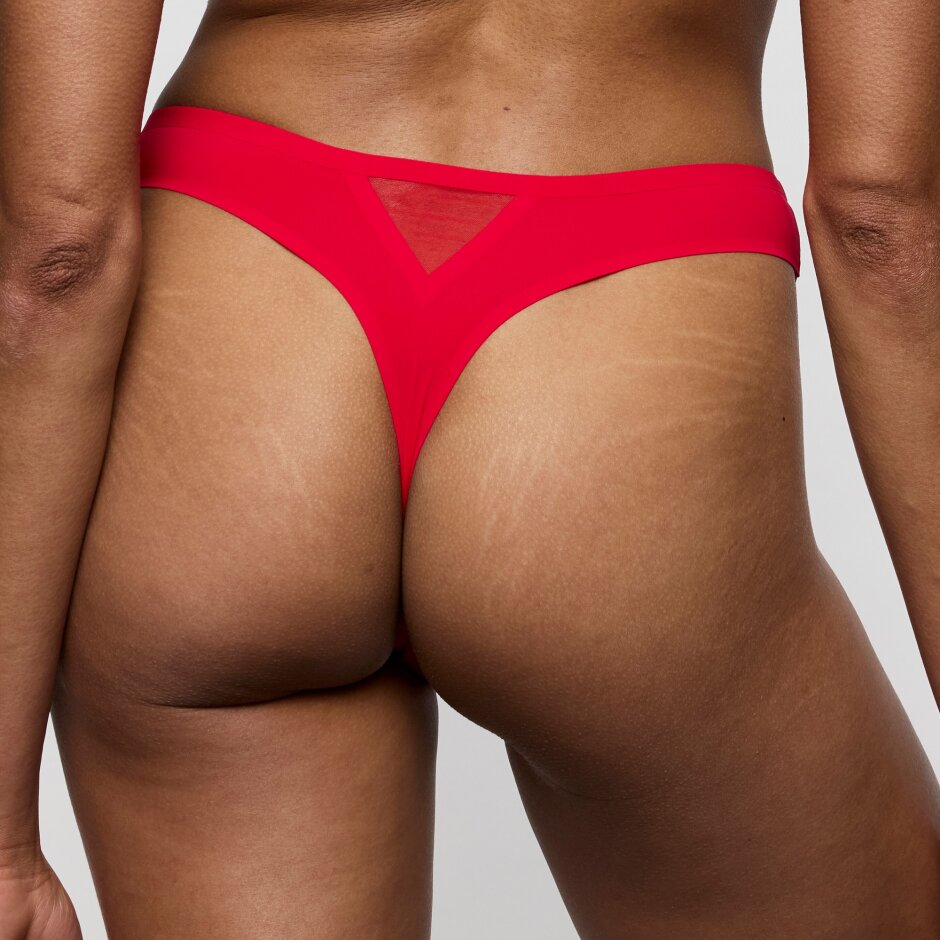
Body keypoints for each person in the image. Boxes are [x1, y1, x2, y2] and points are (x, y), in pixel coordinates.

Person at [2, 0, 938, 937]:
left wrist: (3, 842)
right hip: (622, 348)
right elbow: (881, 218)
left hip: (236, 345)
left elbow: (56, 243)